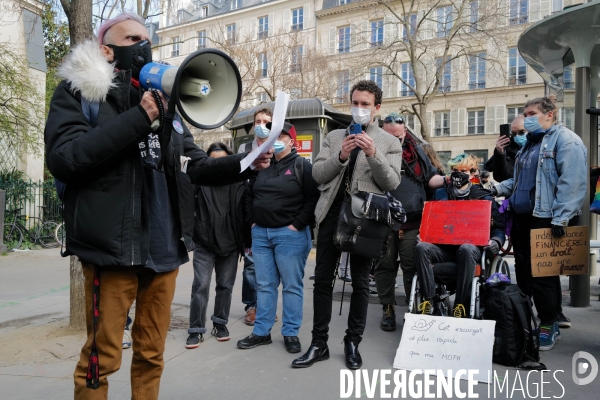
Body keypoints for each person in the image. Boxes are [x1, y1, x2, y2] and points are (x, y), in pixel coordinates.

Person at [44, 13, 271, 399]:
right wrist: (140, 116)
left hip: (164, 251)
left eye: (147, 38)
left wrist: (247, 163)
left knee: (151, 354)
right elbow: (66, 158)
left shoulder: (166, 105)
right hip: (113, 252)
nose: (143, 45)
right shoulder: (81, 94)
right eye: (132, 37)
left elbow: (197, 165)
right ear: (106, 49)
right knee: (101, 359)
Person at [292, 80, 402, 370]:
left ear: (377, 108)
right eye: (355, 102)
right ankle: (319, 343)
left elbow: (392, 182)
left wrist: (372, 154)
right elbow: (317, 174)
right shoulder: (333, 136)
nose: (359, 109)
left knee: (362, 283)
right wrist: (341, 155)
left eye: (365, 104)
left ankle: (353, 341)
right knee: (323, 280)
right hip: (331, 214)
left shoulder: (390, 142)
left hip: (366, 221)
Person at [494, 96, 586, 350]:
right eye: (525, 113)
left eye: (532, 113)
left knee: (543, 275)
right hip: (524, 217)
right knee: (525, 273)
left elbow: (573, 182)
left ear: (550, 114)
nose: (527, 118)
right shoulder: (530, 144)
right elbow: (518, 180)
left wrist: (561, 217)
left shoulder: (566, 141)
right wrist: (494, 187)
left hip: (547, 218)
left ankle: (549, 323)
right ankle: (533, 319)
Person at [237, 122, 319, 354]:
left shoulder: (303, 166)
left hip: (289, 235)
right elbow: (249, 195)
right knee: (265, 285)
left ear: (292, 141)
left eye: (282, 135)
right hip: (261, 234)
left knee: (292, 286)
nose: (277, 139)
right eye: (274, 136)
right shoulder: (262, 165)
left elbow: (312, 199)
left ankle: (290, 332)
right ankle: (261, 332)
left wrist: (296, 225)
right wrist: (253, 222)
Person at [375, 113, 444, 331]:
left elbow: (431, 178)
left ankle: (412, 308)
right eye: (389, 136)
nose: (394, 141)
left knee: (411, 267)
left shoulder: (419, 152)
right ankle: (387, 308)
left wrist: (447, 179)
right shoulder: (372, 151)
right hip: (382, 220)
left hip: (413, 221)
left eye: (398, 136)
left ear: (405, 132)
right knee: (384, 266)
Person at [415, 153, 505, 318]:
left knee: (466, 248)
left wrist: (496, 241)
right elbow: (430, 222)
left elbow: (499, 227)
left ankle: (461, 305)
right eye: (454, 170)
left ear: (472, 173)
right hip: (444, 250)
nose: (457, 174)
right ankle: (430, 301)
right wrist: (424, 234)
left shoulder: (484, 198)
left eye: (462, 170)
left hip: (471, 251)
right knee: (421, 247)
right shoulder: (441, 196)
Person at [185, 143, 247, 348]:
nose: (218, 164)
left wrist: (246, 241)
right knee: (200, 286)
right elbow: (187, 208)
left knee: (225, 286)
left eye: (222, 160)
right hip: (204, 242)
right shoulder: (199, 181)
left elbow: (245, 212)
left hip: (230, 243)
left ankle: (220, 323)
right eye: (213, 161)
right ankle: (196, 329)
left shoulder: (239, 182)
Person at [237, 107, 273, 326]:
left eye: (266, 122)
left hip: (270, 214)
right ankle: (252, 306)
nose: (261, 125)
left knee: (268, 265)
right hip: (249, 213)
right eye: (258, 121)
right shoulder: (244, 148)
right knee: (250, 264)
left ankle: (265, 306)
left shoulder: (277, 148)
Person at [483, 115, 524, 182]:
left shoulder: (539, 146)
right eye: (513, 133)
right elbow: (501, 177)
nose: (517, 136)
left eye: (521, 132)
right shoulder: (509, 148)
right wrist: (500, 153)